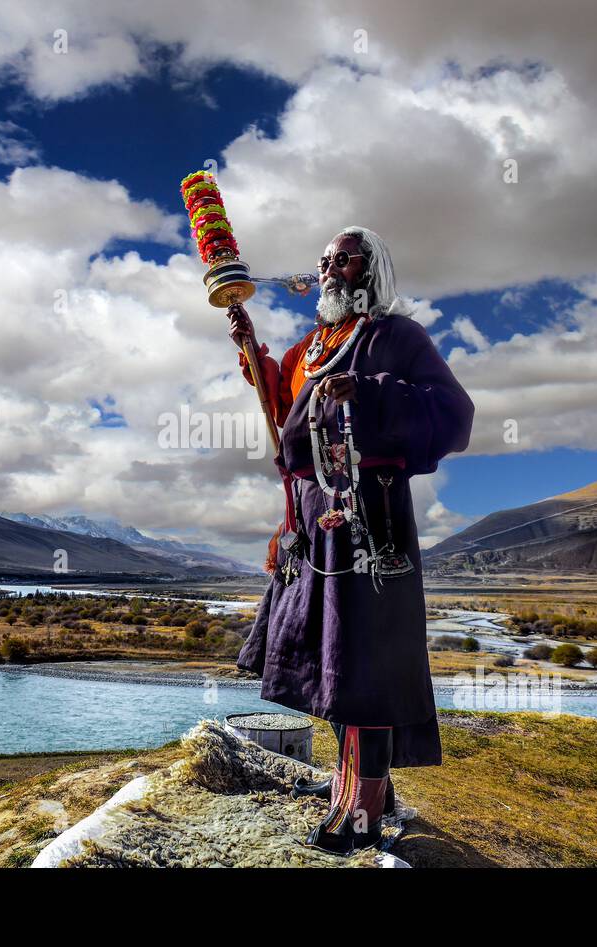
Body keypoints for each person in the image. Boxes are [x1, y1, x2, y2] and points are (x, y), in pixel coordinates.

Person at [229, 226, 474, 854]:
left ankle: (362, 806)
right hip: (312, 518)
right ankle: (365, 784)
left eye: (346, 261)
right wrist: (255, 354)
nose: (332, 271)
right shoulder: (310, 346)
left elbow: (454, 413)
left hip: (371, 516)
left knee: (363, 656)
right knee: (329, 653)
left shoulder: (398, 337)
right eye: (326, 262)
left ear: (371, 271)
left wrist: (367, 392)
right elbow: (282, 407)